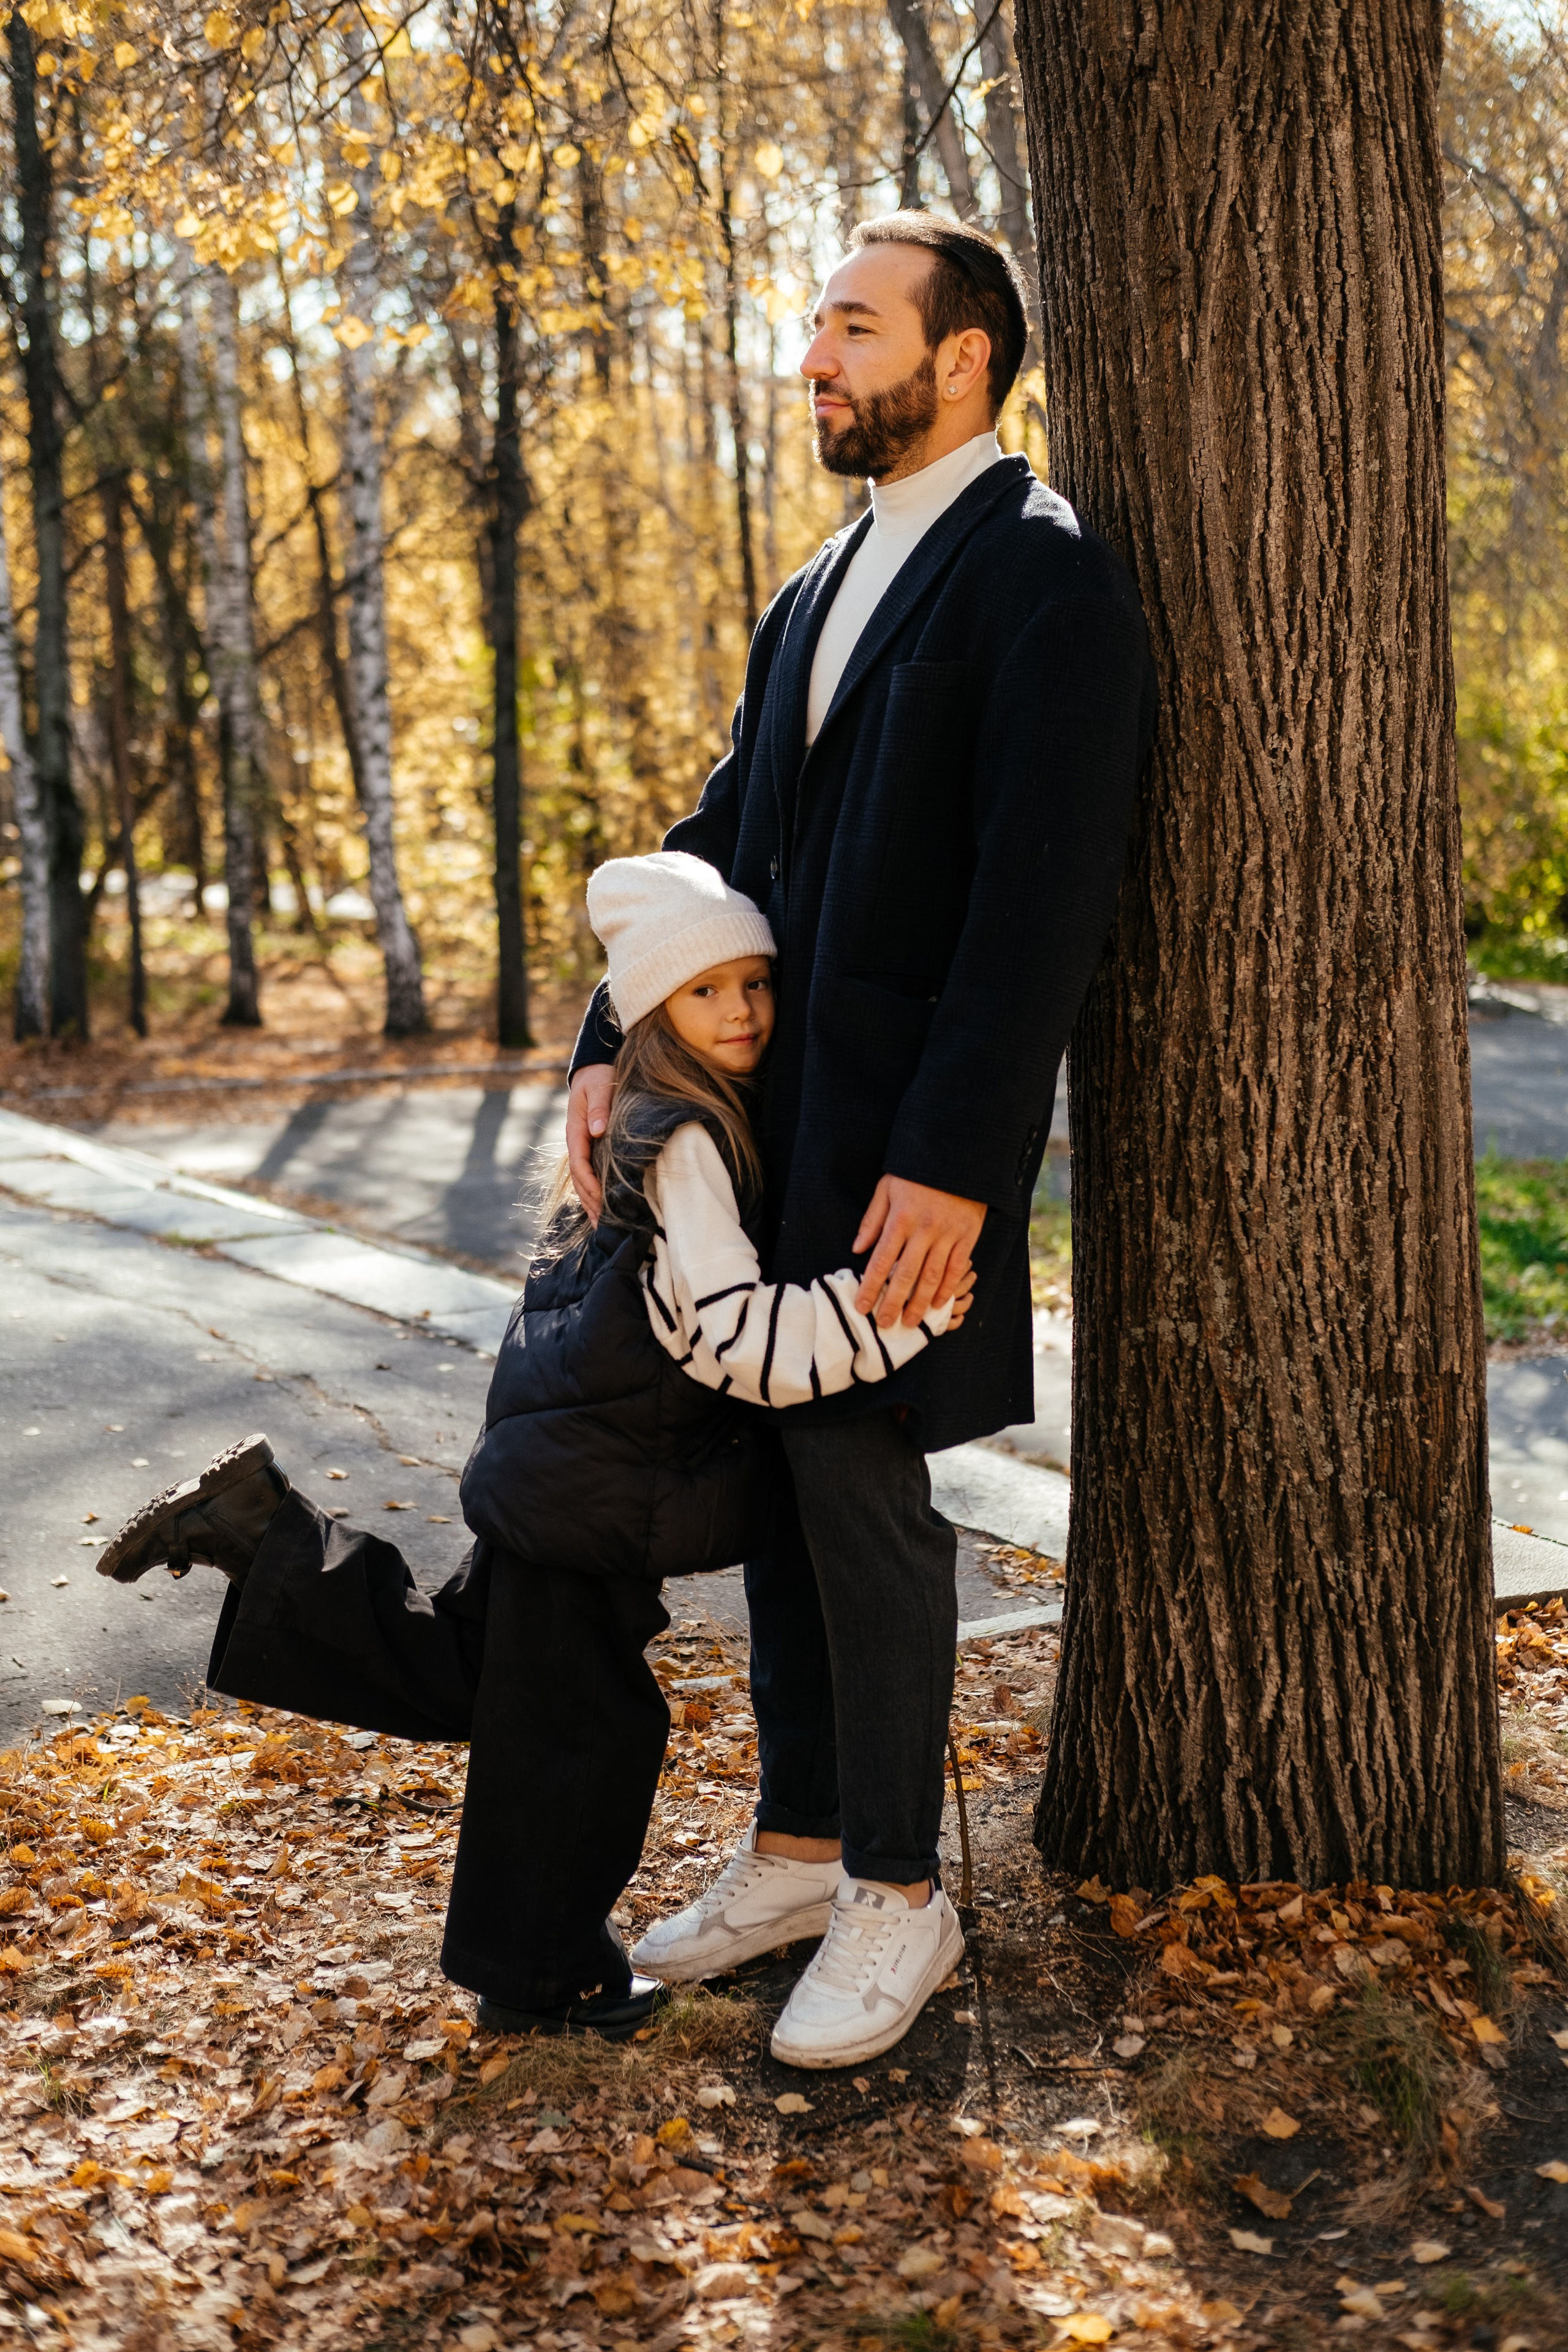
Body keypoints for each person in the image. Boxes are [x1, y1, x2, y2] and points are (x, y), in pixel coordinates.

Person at [570, 214, 1156, 2067]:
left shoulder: (1042, 580)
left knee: (868, 1502)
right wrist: (613, 1038)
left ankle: (906, 1895)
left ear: (960, 356)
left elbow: (1038, 905)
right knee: (783, 1504)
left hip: (909, 1155)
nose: (812, 358)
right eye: (814, 326)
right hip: (774, 1136)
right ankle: (807, 1851)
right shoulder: (818, 584)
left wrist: (961, 1161)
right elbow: (728, 828)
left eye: (850, 326)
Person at [96, 852, 970, 2050]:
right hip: (592, 1499)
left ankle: (261, 1531)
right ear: (654, 1012)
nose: (744, 1012)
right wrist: (894, 1316)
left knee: (468, 1672)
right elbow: (734, 1341)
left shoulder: (653, 1122)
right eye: (706, 993)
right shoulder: (688, 1148)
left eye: (755, 984)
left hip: (558, 1470)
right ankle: (543, 1983)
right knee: (582, 1740)